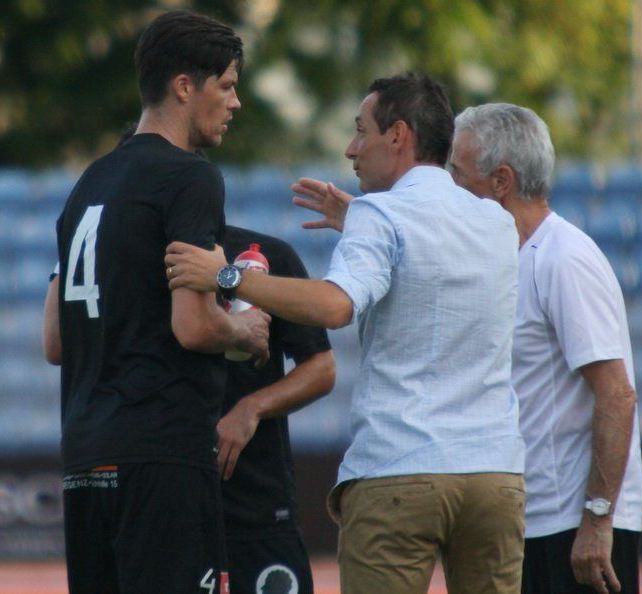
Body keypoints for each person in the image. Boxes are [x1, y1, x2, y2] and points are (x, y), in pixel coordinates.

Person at [165, 72, 527, 594]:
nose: (351, 148)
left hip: (403, 466)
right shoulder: (495, 222)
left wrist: (227, 276)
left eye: (362, 130)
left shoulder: (381, 214)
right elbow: (435, 257)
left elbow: (336, 306)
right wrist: (359, 220)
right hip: (495, 474)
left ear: (399, 135)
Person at [290, 103, 642, 594]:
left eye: (456, 171)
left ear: (501, 181)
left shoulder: (565, 260)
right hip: (526, 510)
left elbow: (617, 394)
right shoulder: (498, 250)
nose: (445, 181)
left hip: (572, 519)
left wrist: (598, 519)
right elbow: (426, 246)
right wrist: (365, 220)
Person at [43, 10, 270, 594]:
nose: (236, 102)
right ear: (184, 86)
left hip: (85, 458)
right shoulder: (190, 178)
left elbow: (55, 342)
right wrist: (244, 335)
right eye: (227, 84)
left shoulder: (88, 182)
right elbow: (193, 327)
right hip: (161, 455)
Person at [219, 225, 335, 594]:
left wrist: (252, 407)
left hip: (256, 492)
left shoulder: (267, 254)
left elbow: (321, 368)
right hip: (168, 492)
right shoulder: (139, 256)